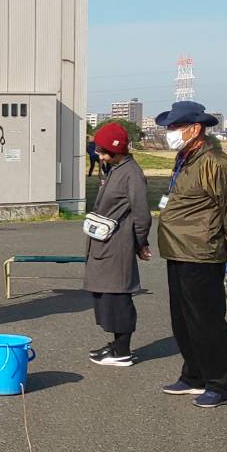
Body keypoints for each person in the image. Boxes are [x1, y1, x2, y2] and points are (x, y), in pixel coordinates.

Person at [153, 101, 227, 407]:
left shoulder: (216, 163)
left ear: (195, 129)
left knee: (206, 321)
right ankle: (194, 374)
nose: (170, 133)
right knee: (182, 319)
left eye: (175, 128)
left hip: (202, 253)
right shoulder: (186, 158)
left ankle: (220, 383)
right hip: (177, 250)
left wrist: (223, 245)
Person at [82, 122, 151, 366]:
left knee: (118, 296)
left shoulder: (131, 173)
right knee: (105, 296)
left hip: (119, 244)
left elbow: (142, 213)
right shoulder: (115, 169)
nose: (98, 155)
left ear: (116, 149)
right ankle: (115, 344)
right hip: (104, 243)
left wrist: (140, 243)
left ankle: (123, 350)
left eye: (102, 151)